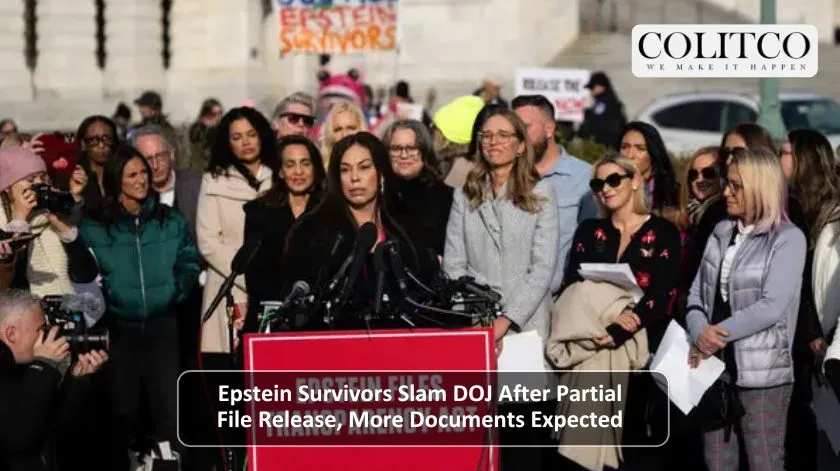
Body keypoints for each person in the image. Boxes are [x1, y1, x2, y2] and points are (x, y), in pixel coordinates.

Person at [443, 107, 558, 471]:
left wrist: (506, 321)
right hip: (476, 330)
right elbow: (454, 266)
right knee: (480, 445)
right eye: (487, 135)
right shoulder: (465, 195)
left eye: (503, 135)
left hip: (524, 330)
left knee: (523, 446)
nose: (493, 142)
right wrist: (477, 323)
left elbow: (542, 269)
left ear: (521, 145)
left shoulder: (541, 194)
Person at [79, 145, 200, 470]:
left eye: (143, 172)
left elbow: (189, 261)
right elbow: (82, 274)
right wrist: (106, 303)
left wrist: (175, 291)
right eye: (132, 174)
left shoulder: (169, 220)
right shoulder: (96, 225)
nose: (141, 180)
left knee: (170, 413)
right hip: (118, 331)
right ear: (117, 179)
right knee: (122, 414)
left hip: (163, 327)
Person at [686, 147, 805, 471]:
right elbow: (697, 294)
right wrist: (699, 332)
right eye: (728, 183)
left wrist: (715, 336)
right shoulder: (721, 231)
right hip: (713, 369)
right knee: (716, 463)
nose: (726, 191)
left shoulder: (787, 238)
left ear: (759, 186)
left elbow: (771, 306)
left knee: (764, 462)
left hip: (762, 375)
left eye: (736, 185)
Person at [561, 152, 682, 470]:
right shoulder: (589, 230)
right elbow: (573, 285)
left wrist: (624, 325)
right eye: (598, 183)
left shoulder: (664, 232)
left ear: (636, 181)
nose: (606, 188)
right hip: (591, 346)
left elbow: (662, 293)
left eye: (614, 180)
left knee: (632, 446)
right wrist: (602, 326)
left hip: (640, 353)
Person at [282, 132, 439, 329]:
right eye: (345, 170)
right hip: (333, 338)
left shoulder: (407, 226)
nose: (354, 178)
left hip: (400, 336)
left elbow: (428, 290)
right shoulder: (313, 229)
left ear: (381, 173)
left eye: (364, 168)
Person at [781, 128, 840, 471]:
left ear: (805, 161)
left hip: (821, 344)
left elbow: (815, 285)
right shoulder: (786, 211)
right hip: (799, 343)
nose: (777, 160)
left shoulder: (830, 219)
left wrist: (820, 335)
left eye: (785, 153)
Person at [0, 289, 108, 471]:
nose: (47, 337)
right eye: (42, 330)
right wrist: (43, 365)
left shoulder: (20, 367)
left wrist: (77, 380)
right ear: (12, 334)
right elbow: (18, 436)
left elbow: (53, 426)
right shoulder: (26, 371)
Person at [197, 107, 274, 356]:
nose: (246, 143)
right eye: (237, 137)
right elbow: (208, 242)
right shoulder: (214, 181)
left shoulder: (280, 178)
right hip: (229, 284)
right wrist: (246, 278)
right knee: (230, 365)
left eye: (251, 134)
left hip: (273, 287)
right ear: (227, 143)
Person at [242, 135, 326, 335]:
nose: (298, 172)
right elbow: (254, 274)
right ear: (280, 171)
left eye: (305, 164)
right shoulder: (259, 212)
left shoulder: (330, 211)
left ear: (315, 168)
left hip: (317, 319)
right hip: (271, 317)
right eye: (290, 165)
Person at [512, 94, 597, 292]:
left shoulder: (585, 177)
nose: (518, 137)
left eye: (525, 127)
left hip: (560, 296)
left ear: (549, 129)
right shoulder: (505, 176)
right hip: (509, 295)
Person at [0, 146, 94, 298]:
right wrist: (19, 220)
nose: (39, 185)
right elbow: (7, 282)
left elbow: (85, 276)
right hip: (16, 310)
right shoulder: (2, 223)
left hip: (60, 308)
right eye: (30, 180)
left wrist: (66, 230)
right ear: (7, 188)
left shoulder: (50, 219)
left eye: (43, 178)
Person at [382, 119, 453, 257]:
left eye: (412, 148)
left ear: (424, 151)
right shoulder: (380, 197)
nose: (404, 155)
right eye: (396, 149)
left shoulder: (447, 198)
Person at [577, 71, 627, 150]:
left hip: (605, 147)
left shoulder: (605, 104)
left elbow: (596, 125)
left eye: (592, 88)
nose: (591, 91)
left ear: (601, 87)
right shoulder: (608, 102)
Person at [319, 101, 368, 170]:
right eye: (338, 129)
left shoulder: (375, 168)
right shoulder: (320, 171)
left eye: (351, 128)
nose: (344, 135)